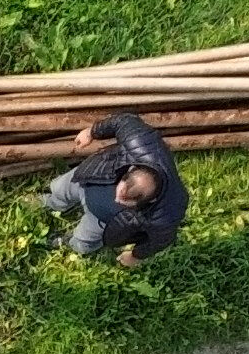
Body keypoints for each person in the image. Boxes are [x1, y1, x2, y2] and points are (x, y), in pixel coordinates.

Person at [41, 112, 187, 267]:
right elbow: (124, 120)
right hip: (89, 177)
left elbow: (161, 240)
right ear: (130, 170)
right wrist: (91, 132)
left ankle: (70, 243)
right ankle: (52, 202)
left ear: (151, 200)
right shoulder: (142, 142)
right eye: (119, 193)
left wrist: (136, 256)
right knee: (60, 188)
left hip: (102, 222)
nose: (116, 200)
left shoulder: (168, 211)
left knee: (83, 241)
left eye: (125, 202)